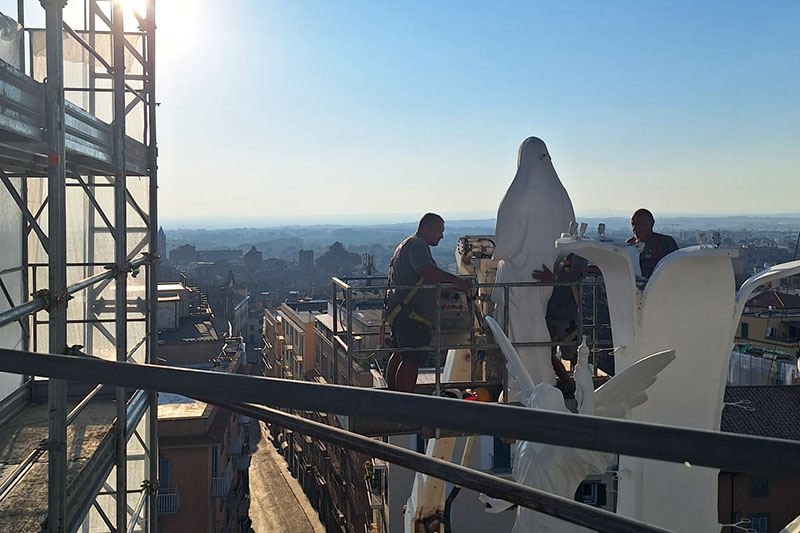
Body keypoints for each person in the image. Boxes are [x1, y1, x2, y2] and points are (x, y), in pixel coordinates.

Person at [384, 213, 471, 392]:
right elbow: (426, 270)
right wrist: (456, 280)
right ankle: (404, 402)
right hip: (411, 315)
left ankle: (392, 398)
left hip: (399, 311)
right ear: (426, 228)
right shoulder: (418, 245)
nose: (441, 236)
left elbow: (422, 280)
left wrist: (448, 286)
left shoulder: (406, 244)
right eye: (439, 231)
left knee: (400, 354)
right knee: (411, 360)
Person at [626, 208, 679, 279]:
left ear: (651, 223)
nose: (635, 229)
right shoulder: (628, 245)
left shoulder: (665, 243)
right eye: (633, 225)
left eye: (639, 224)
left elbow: (676, 269)